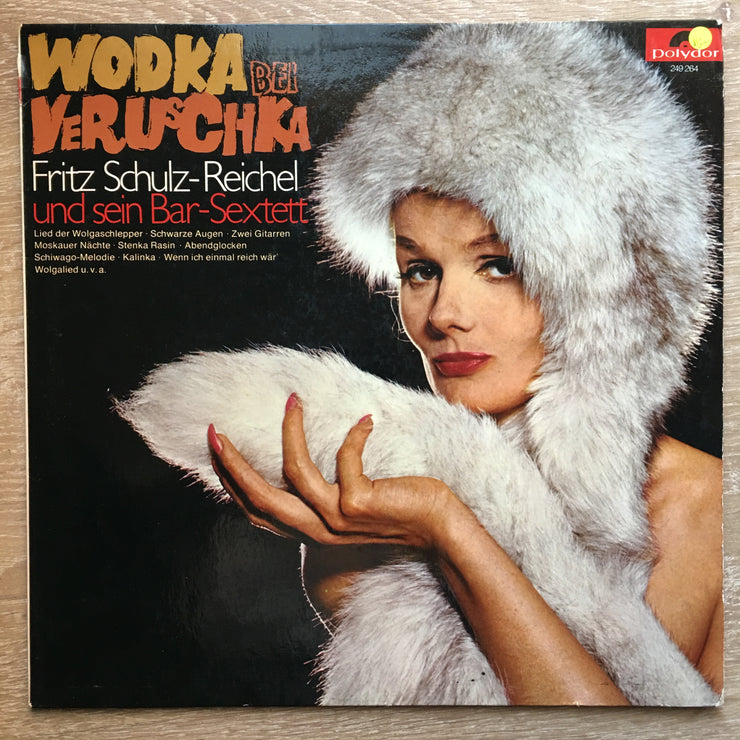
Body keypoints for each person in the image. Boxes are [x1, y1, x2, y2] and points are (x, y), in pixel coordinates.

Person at [122, 23, 722, 705]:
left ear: (611, 292)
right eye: (419, 270)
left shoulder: (712, 507)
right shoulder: (365, 520)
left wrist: (446, 525)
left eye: (498, 264)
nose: (442, 315)